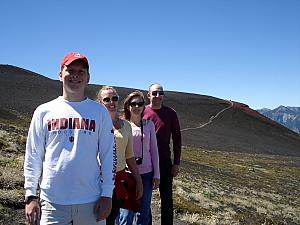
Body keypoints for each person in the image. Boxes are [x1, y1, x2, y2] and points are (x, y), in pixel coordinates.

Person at [24, 52, 116, 225]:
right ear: (60, 75)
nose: (75, 75)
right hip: (52, 202)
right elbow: (33, 155)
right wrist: (30, 195)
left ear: (88, 77)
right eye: (70, 70)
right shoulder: (44, 111)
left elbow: (108, 154)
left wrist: (107, 194)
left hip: (91, 200)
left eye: (81, 71)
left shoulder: (99, 112)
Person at [97, 86, 143, 225]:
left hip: (118, 181)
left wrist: (138, 181)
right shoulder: (95, 124)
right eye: (107, 99)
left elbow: (129, 156)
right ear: (100, 102)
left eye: (115, 98)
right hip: (96, 181)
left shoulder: (126, 126)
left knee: (111, 218)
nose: (112, 102)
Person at [118, 91, 160, 225]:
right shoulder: (123, 125)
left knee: (144, 213)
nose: (137, 106)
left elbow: (154, 150)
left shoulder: (149, 125)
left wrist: (157, 175)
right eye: (133, 103)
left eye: (140, 103)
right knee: (125, 214)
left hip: (147, 174)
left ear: (144, 106)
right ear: (128, 106)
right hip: (127, 174)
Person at [143, 83, 182, 225]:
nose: (157, 96)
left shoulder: (171, 113)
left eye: (160, 93)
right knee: (146, 199)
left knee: (167, 199)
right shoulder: (142, 112)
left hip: (164, 162)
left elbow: (177, 138)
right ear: (148, 95)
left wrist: (176, 163)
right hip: (146, 163)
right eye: (154, 93)